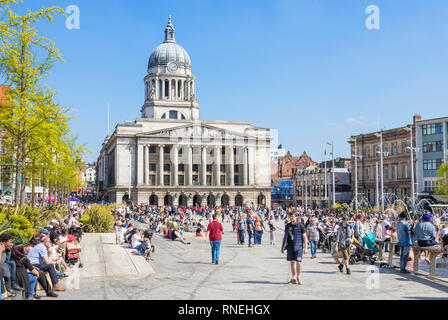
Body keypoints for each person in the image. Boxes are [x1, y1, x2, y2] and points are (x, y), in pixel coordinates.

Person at [281, 212, 308, 285]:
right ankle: (294, 277)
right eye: (290, 217)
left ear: (296, 217)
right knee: (292, 262)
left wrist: (306, 247)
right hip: (290, 246)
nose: (291, 218)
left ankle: (299, 276)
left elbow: (305, 237)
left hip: (299, 246)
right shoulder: (288, 225)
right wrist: (282, 247)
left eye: (293, 216)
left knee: (298, 262)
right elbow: (285, 236)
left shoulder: (300, 225)